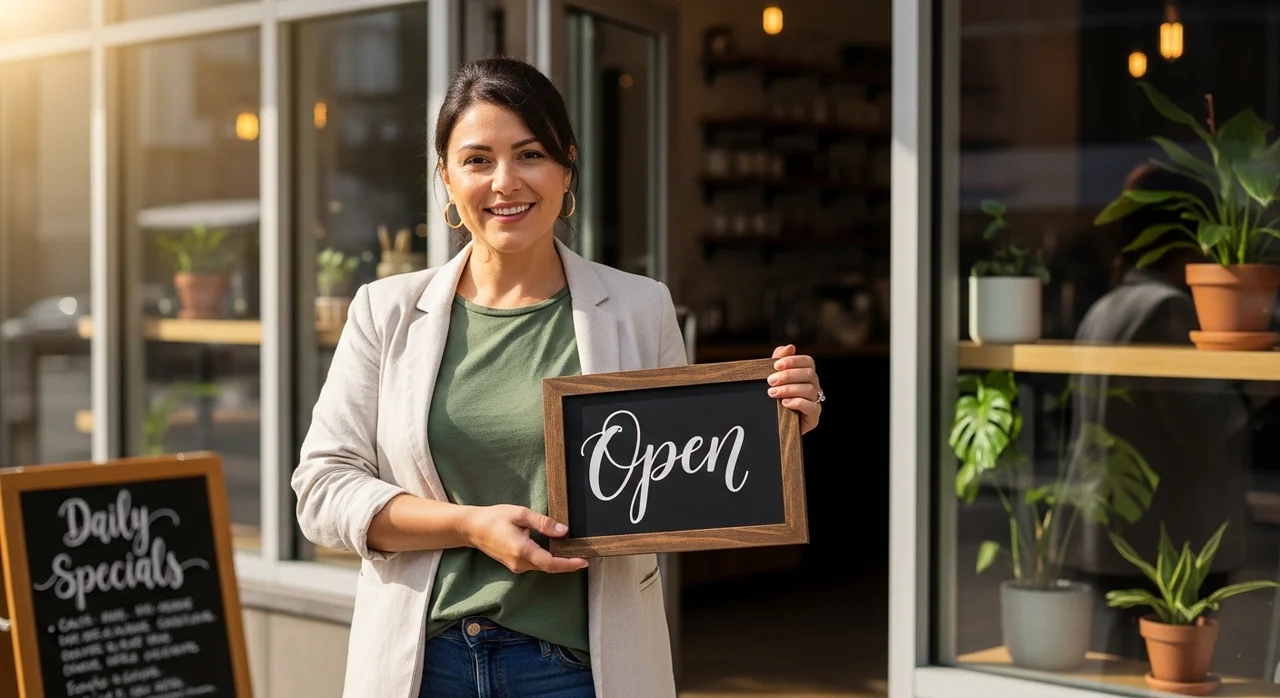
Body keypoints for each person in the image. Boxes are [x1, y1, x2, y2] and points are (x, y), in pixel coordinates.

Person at [291, 56, 825, 698]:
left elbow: (684, 477)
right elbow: (321, 490)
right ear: (446, 178)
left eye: (530, 154)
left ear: (567, 167)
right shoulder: (386, 311)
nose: (505, 182)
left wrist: (776, 420)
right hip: (424, 664)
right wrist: (467, 526)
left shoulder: (639, 307)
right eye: (478, 159)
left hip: (580, 669)